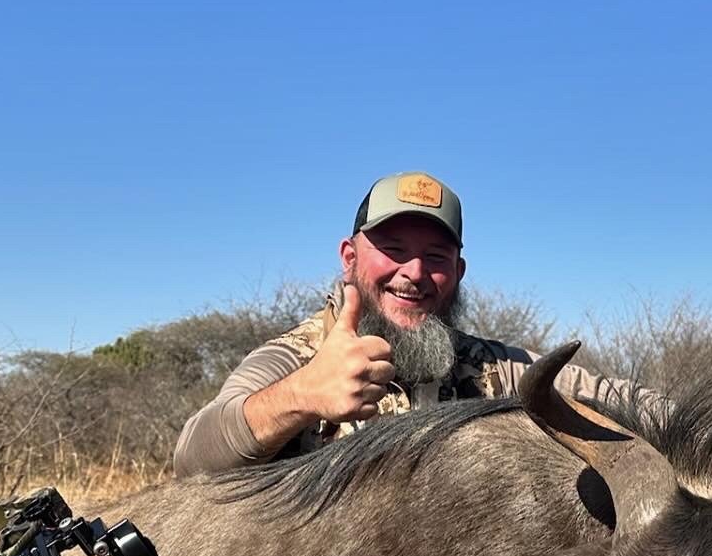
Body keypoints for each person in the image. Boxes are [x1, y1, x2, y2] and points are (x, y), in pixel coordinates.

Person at [173, 171, 652, 476]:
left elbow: (625, 401)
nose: (415, 273)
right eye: (395, 251)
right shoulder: (296, 359)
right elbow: (193, 458)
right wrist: (301, 395)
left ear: (458, 273)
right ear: (349, 258)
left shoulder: (496, 368)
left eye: (435, 256)